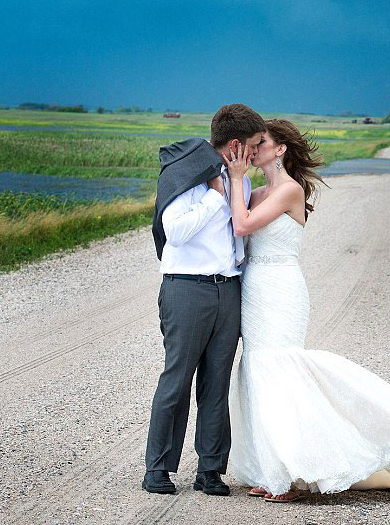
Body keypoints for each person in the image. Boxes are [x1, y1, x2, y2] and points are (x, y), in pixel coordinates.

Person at [223, 119, 390, 503]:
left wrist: (235, 179)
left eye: (261, 141)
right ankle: (274, 469)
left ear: (280, 149)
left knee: (281, 370)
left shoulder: (289, 190)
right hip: (255, 289)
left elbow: (242, 226)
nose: (253, 148)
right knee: (258, 370)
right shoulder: (257, 191)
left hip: (281, 288)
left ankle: (295, 474)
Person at [142, 104, 266, 497]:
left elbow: (239, 236)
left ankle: (210, 470)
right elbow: (175, 233)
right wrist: (216, 195)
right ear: (235, 145)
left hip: (228, 289)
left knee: (217, 384)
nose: (257, 152)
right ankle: (158, 469)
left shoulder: (242, 181)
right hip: (186, 288)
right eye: (254, 145)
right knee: (177, 380)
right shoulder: (187, 174)